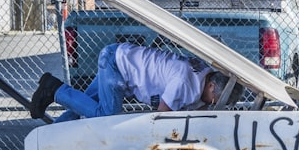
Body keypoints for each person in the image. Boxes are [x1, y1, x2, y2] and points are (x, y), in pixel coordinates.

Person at [30, 42, 237, 122]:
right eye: (214, 99)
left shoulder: (205, 76)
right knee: (106, 113)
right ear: (211, 86)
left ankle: (46, 140)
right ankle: (54, 89)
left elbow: (197, 110)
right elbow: (163, 115)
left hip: (122, 59)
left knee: (82, 106)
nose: (212, 103)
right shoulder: (185, 81)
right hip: (118, 64)